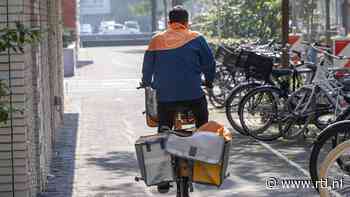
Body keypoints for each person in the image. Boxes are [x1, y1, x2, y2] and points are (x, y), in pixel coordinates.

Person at [141, 6, 216, 195]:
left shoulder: (156, 40)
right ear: (186, 22)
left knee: (163, 130)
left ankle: (162, 179)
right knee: (202, 125)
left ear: (169, 22)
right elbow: (210, 63)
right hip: (193, 95)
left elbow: (147, 66)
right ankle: (203, 167)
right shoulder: (197, 38)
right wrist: (208, 80)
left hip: (166, 97)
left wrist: (146, 82)